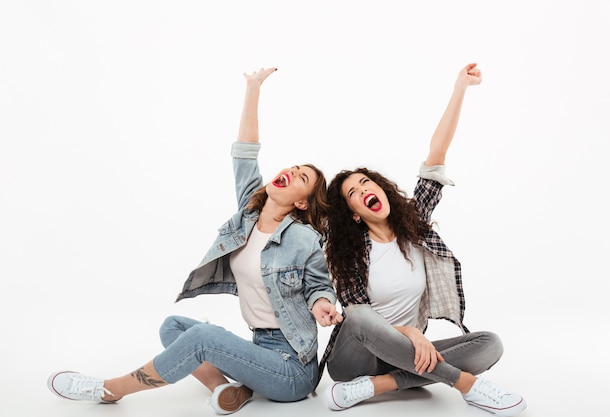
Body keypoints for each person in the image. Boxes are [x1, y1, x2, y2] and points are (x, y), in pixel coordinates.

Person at [47, 67, 342, 415]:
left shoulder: (302, 238)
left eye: (301, 177)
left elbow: (320, 287)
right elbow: (244, 154)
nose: (290, 172)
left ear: (302, 202)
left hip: (293, 369)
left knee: (201, 339)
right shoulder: (249, 213)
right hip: (261, 347)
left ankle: (110, 390)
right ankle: (227, 390)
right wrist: (252, 88)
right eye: (292, 167)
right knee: (173, 327)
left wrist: (322, 302)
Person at [320, 63, 527, 416]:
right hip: (356, 360)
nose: (364, 189)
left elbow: (436, 157)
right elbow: (360, 319)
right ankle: (466, 386)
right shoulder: (350, 254)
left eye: (366, 182)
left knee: (489, 344)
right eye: (354, 192)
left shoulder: (414, 229)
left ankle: (379, 387)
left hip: (406, 359)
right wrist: (411, 334)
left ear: (381, 189)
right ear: (354, 212)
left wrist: (460, 88)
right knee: (356, 316)